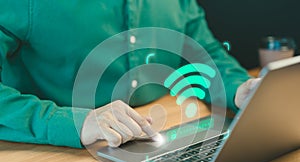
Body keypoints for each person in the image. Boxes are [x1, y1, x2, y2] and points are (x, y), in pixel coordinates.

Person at [0, 0, 259, 148]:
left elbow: (203, 53)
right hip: (52, 159)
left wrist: (238, 90)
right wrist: (72, 122)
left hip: (160, 139)